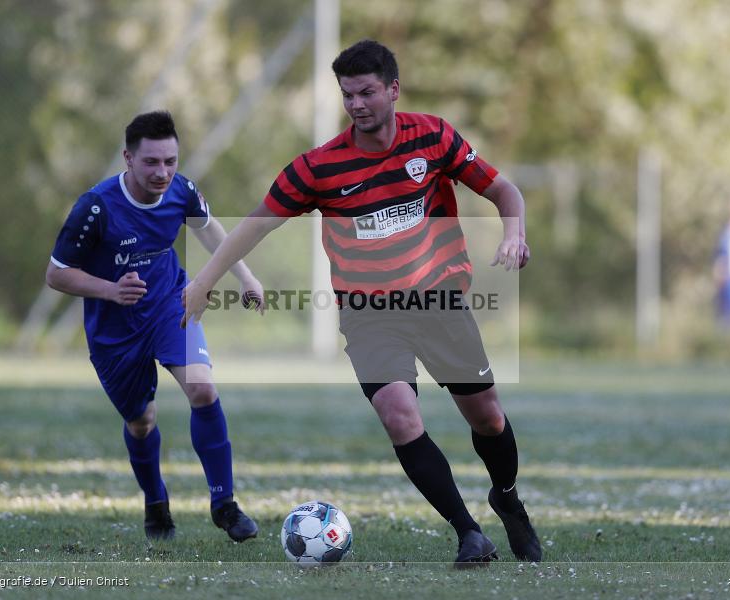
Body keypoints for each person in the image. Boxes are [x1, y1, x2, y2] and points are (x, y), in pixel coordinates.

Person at [182, 40, 541, 566]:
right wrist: (205, 280)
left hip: (439, 300)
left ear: (393, 89)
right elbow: (257, 223)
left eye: (367, 92)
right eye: (348, 95)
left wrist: (514, 234)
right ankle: (468, 533)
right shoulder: (319, 167)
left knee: (487, 418)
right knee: (400, 415)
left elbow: (505, 191)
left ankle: (506, 499)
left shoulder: (434, 136)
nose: (357, 104)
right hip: (370, 314)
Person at [46, 110, 260, 543]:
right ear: (128, 158)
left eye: (170, 161)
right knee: (142, 420)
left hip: (168, 305)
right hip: (114, 330)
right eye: (151, 163)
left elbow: (211, 232)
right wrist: (110, 290)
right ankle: (155, 501)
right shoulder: (96, 207)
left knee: (202, 387)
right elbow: (56, 273)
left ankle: (224, 504)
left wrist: (246, 276)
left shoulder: (181, 192)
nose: (162, 172)